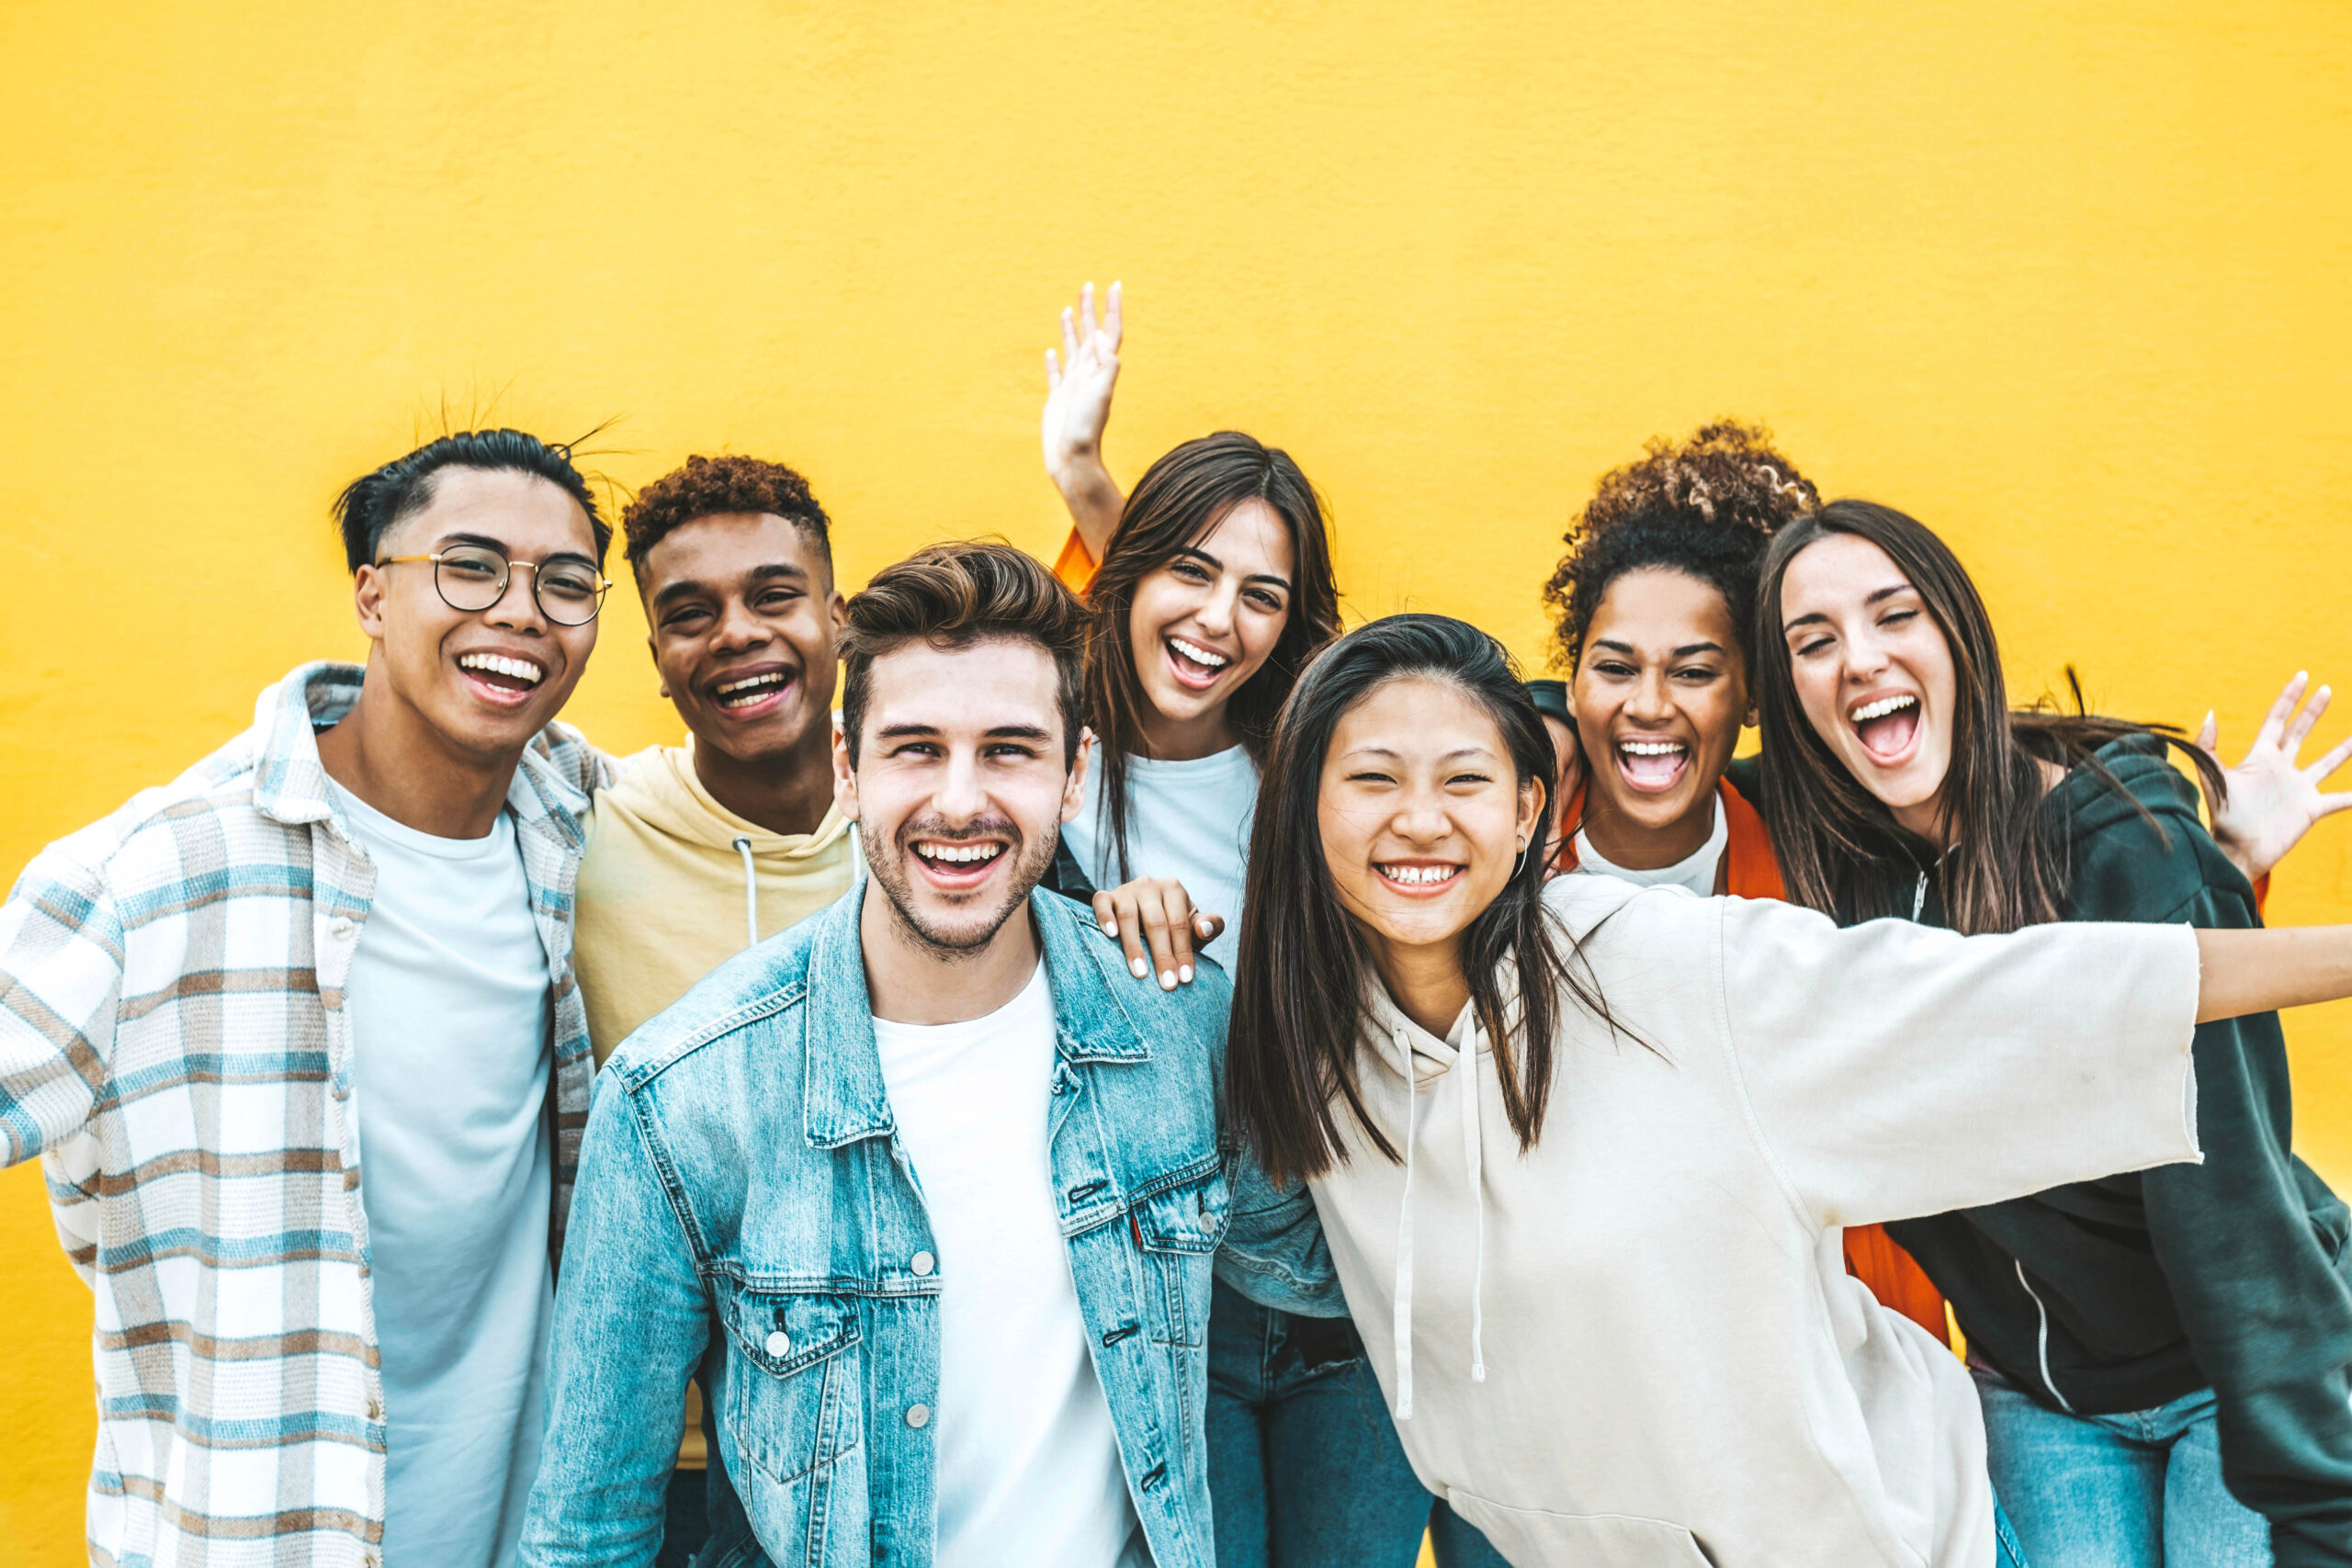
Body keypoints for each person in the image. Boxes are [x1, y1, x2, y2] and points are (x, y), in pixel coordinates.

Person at [1222, 609, 2352, 1568]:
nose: (1419, 820)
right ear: (1304, 804)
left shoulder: (1665, 972)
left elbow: (2019, 997)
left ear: (1527, 814)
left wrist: (2333, 948)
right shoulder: (1303, 1036)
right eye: (1372, 778)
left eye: (1463, 780)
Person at [519, 540, 1337, 1568]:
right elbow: (588, 1528)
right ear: (846, 769)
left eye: (1009, 749)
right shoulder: (684, 1097)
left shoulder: (1176, 1024)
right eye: (914, 749)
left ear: (1073, 772)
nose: (959, 802)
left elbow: (1319, 1273)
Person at [0, 429, 616, 1567]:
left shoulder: (579, 822)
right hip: (252, 1528)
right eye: (470, 567)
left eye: (565, 583)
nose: (522, 611)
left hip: (528, 1530)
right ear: (372, 595)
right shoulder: (148, 878)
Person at [1754, 498, 2352, 1565]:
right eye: (1813, 641)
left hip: (2230, 1377)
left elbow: (2239, 1211)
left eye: (1893, 616)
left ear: (1957, 639)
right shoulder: (1832, 874)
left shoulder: (2130, 849)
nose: (1856, 659)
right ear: (1787, 693)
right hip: (2040, 1393)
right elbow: (1641, 743)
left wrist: (2317, 1499)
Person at [1040, 284, 1507, 1568]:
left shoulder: (1313, 752)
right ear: (1130, 570)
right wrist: (1080, 470)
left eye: (1261, 593)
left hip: (1351, 1292)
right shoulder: (1051, 765)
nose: (1216, 620)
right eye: (1191, 573)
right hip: (1175, 1303)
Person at [1532, 421, 1953, 1340]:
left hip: (1818, 1347)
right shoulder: (1508, 862)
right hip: (1590, 1346)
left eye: (1694, 671)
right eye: (1613, 669)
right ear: (1568, 686)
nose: (1649, 705)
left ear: (1752, 696)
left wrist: (2222, 864)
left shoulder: (1823, 861)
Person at [571, 453, 860, 1561]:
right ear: (655, 658)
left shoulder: (933, 840)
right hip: (658, 1460)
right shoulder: (584, 830)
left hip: (883, 1429)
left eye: (774, 595)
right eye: (690, 614)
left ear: (837, 616)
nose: (736, 633)